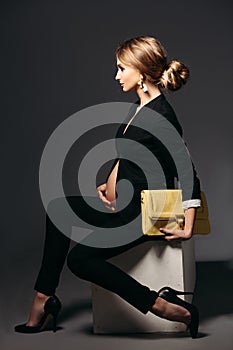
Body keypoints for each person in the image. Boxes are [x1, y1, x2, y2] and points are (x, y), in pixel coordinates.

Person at [15, 36, 201, 338]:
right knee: (58, 210)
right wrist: (111, 179)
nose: (116, 76)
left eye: (121, 68)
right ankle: (44, 297)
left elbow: (189, 171)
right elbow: (131, 150)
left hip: (140, 215)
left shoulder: (163, 116)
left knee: (79, 259)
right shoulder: (139, 107)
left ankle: (161, 305)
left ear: (140, 72)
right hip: (122, 205)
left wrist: (188, 225)